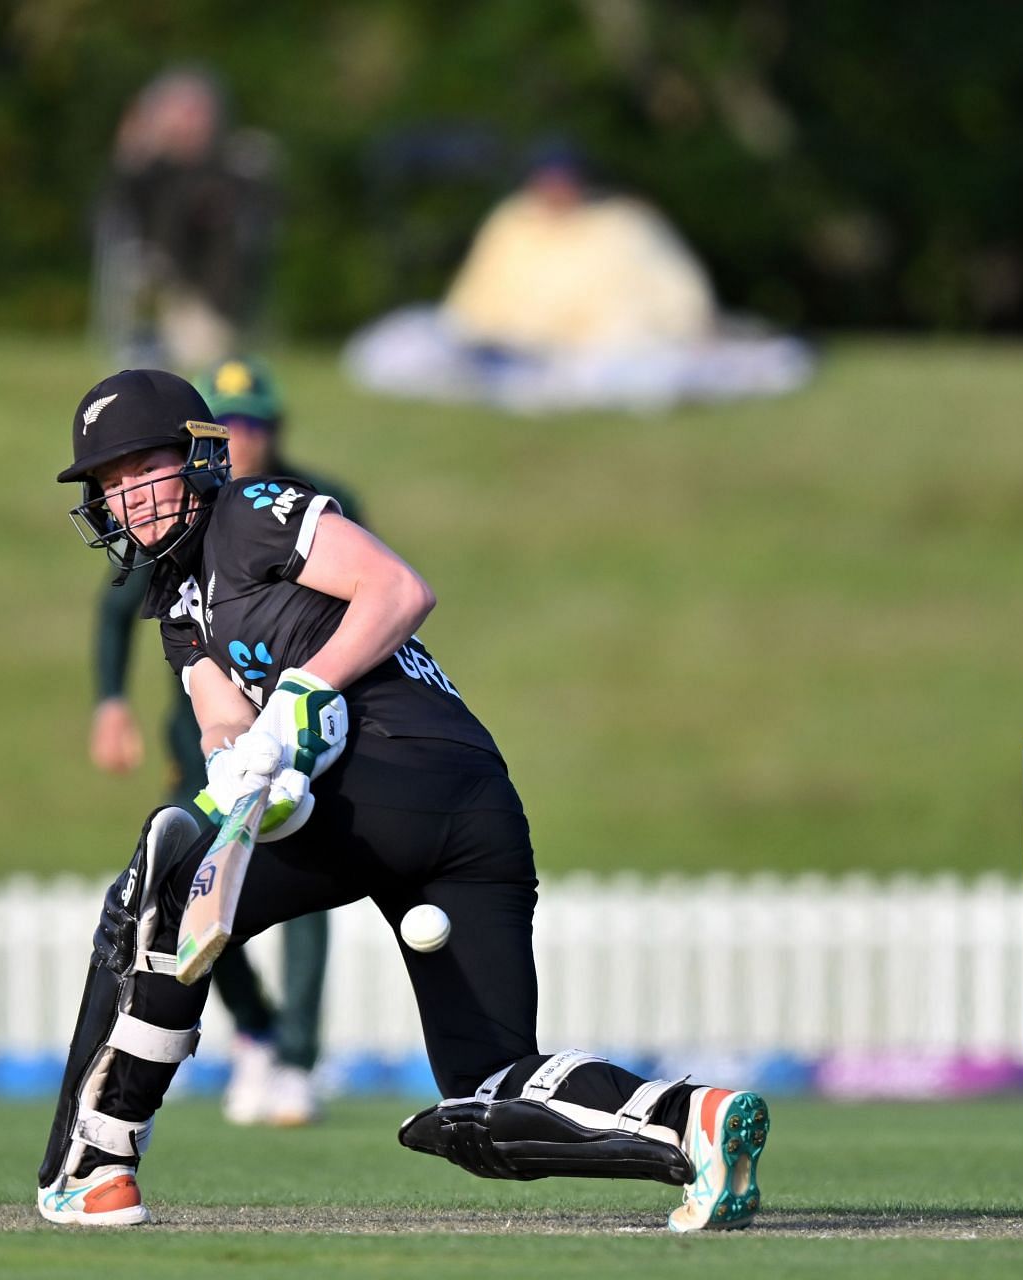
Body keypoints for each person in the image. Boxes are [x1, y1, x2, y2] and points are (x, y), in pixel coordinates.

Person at [38, 368, 769, 1230]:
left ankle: (95, 1162)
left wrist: (303, 697)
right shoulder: (175, 601)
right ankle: (697, 1119)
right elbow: (222, 719)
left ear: (197, 458)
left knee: (151, 893)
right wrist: (237, 765)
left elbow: (398, 590)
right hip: (466, 803)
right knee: (490, 1082)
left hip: (386, 775)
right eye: (109, 484)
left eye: (141, 469)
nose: (127, 497)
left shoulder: (253, 508)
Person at [87, 356, 351, 1127]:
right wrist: (111, 703)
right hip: (205, 741)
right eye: (230, 422)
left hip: (305, 732)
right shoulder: (168, 516)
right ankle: (259, 1031)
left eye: (256, 424)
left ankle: (298, 1058)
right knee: (192, 884)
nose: (245, 437)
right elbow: (119, 614)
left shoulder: (296, 503)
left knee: (304, 888)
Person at [441, 144, 716, 354]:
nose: (557, 191)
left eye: (564, 181)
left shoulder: (622, 223)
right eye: (549, 181)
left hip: (612, 347)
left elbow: (671, 288)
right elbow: (480, 291)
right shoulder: (513, 222)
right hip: (517, 344)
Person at [93, 67, 279, 369]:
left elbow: (260, 211)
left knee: (202, 353)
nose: (188, 124)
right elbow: (113, 209)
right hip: (154, 279)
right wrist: (132, 157)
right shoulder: (148, 171)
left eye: (195, 114)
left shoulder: (233, 167)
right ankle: (143, 340)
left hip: (208, 293)